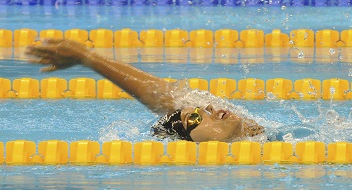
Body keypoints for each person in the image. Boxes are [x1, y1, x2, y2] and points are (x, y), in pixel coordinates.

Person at [26, 38, 265, 142]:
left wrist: (89, 58)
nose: (210, 107)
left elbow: (163, 96)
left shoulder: (261, 136)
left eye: (200, 110)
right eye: (194, 117)